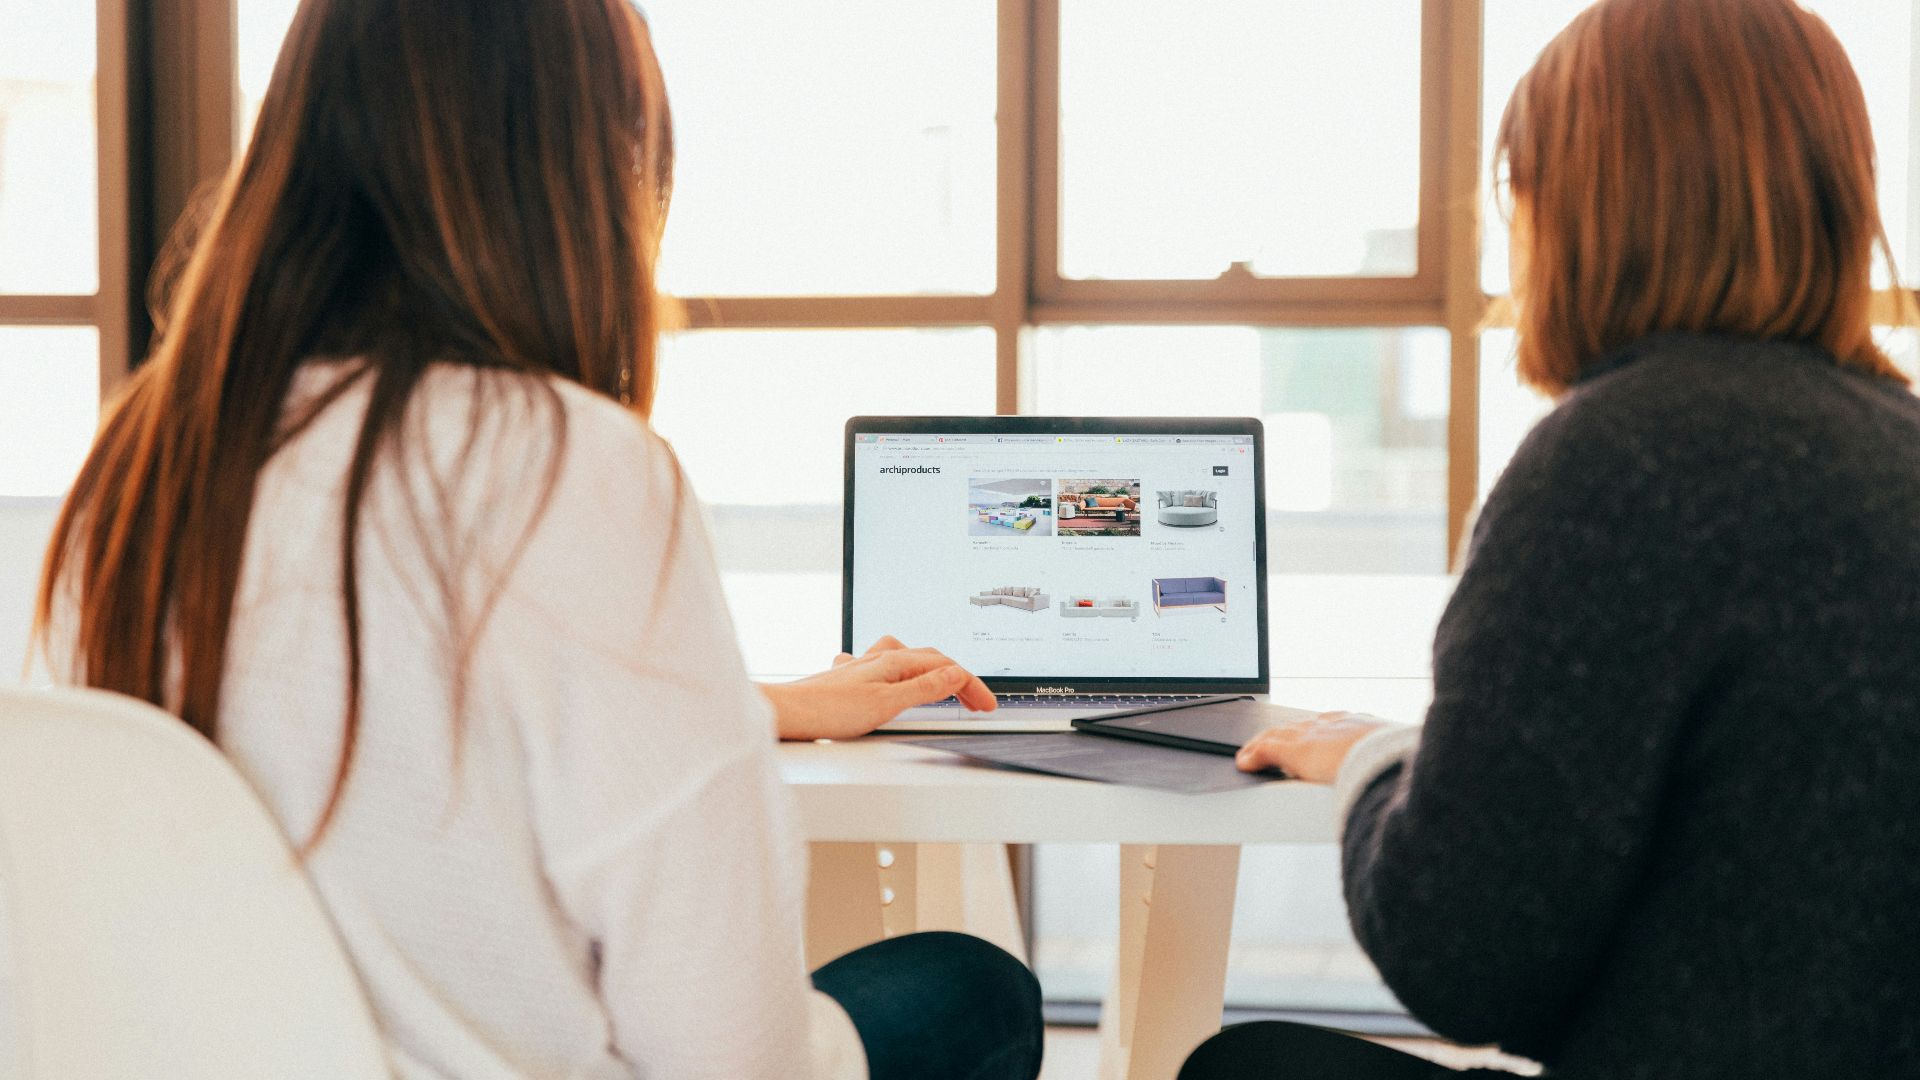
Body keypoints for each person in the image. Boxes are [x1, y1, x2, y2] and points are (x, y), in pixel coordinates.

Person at [32, 2, 1040, 1078]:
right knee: (974, 987)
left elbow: (377, 739)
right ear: (583, 174)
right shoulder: (569, 464)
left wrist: (759, 709)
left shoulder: (140, 463)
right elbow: (728, 1052)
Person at [1183, 0, 1920, 1077]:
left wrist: (1378, 763)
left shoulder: (1621, 457)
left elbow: (1464, 957)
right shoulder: (1897, 439)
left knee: (1244, 1068)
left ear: (1573, 205)